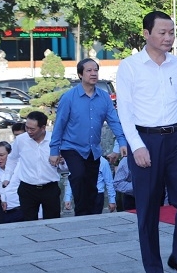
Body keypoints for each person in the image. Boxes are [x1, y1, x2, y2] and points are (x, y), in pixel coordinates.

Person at [117, 10, 177, 273]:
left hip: (176, 139)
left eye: (171, 33)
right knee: (148, 210)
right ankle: (154, 271)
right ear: (146, 34)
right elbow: (124, 112)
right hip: (146, 140)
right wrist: (137, 146)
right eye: (162, 33)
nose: (168, 38)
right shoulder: (130, 67)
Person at [49, 59, 127, 216]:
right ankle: (82, 212)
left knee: (92, 184)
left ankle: (91, 215)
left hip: (93, 149)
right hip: (72, 146)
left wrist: (122, 141)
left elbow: (114, 121)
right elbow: (59, 125)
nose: (93, 74)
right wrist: (54, 150)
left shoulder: (104, 97)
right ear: (80, 74)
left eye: (96, 70)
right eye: (89, 71)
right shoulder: (69, 97)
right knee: (78, 175)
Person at [4, 111, 62, 219]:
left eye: (32, 129)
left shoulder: (54, 140)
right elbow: (12, 159)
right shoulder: (21, 140)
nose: (29, 131)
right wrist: (7, 177)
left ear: (43, 127)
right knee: (28, 223)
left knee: (53, 221)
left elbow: (64, 167)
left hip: (50, 187)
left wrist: (61, 162)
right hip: (27, 188)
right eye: (27, 128)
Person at [0, 142, 22, 222]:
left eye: (1, 155)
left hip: (20, 211)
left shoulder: (20, 167)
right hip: (0, 214)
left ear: (9, 155)